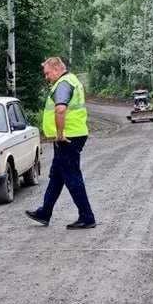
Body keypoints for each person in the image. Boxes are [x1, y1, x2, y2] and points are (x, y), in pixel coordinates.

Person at [25, 56, 96, 229]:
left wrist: (59, 134)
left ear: (57, 69)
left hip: (67, 138)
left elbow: (60, 109)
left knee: (72, 177)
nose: (46, 77)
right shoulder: (71, 81)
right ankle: (45, 212)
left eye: (47, 73)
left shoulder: (63, 84)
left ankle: (87, 217)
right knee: (56, 176)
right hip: (72, 135)